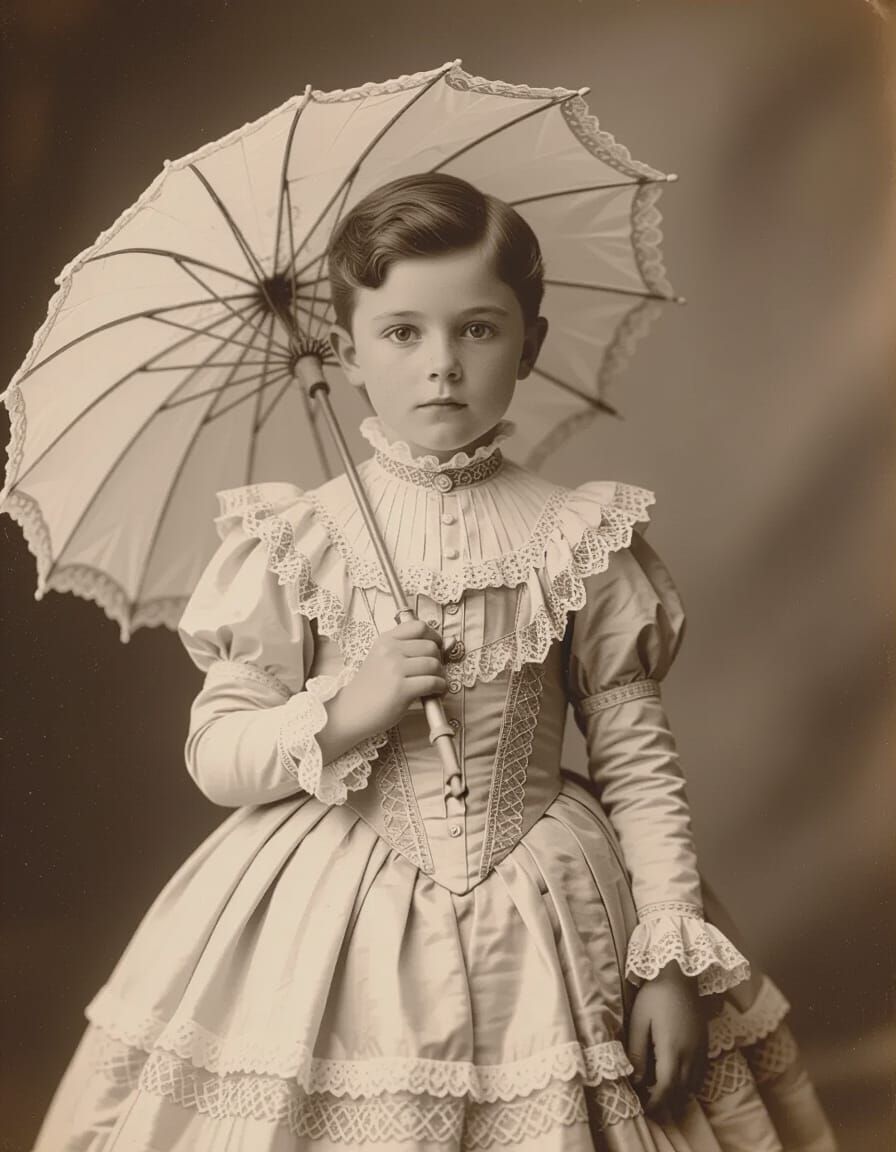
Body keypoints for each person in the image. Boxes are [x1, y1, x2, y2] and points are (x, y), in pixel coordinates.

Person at [31, 174, 838, 1151]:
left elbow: (634, 758)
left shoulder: (573, 537)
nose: (441, 367)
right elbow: (217, 756)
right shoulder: (301, 540)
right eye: (402, 333)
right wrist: (346, 707)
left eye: (477, 330)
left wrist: (663, 958)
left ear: (528, 344)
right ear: (346, 353)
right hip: (336, 916)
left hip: (551, 905)